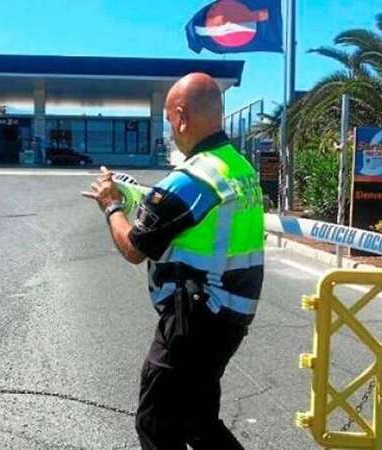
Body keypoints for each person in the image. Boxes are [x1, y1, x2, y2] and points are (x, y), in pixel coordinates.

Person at [81, 72, 264, 449]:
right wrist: (141, 196)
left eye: (168, 120)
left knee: (156, 426)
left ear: (181, 116)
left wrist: (111, 205)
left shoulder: (192, 177)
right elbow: (186, 212)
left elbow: (134, 248)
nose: (169, 129)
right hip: (230, 314)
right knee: (198, 422)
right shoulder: (236, 166)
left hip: (195, 320)